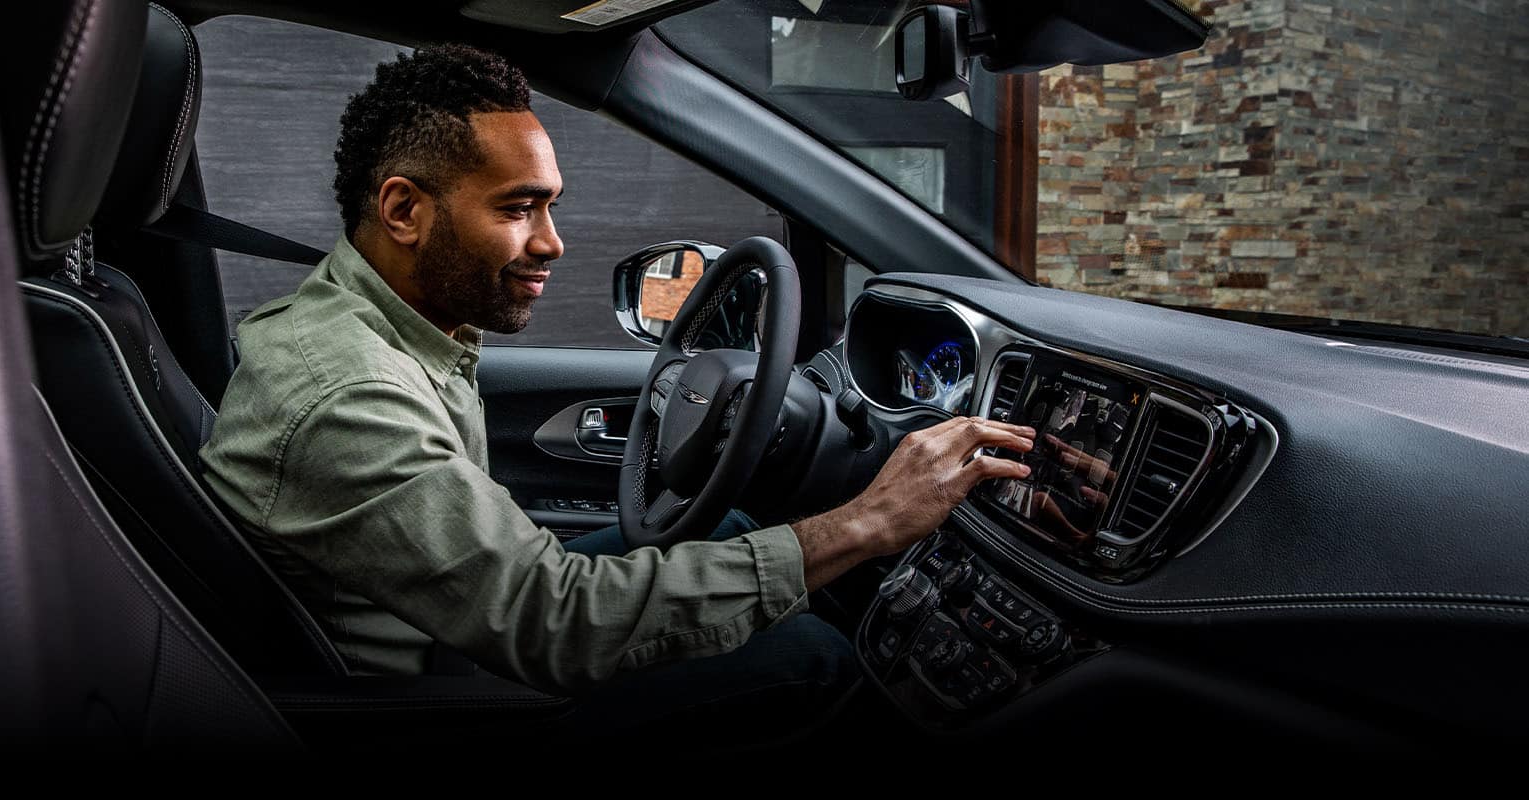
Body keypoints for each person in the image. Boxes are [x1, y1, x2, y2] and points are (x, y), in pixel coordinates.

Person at [199, 43, 1035, 743]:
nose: (552, 243)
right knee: (814, 656)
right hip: (430, 703)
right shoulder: (350, 395)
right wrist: (868, 522)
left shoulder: (366, 322)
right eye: (518, 208)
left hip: (449, 633)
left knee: (740, 527)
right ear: (404, 209)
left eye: (549, 206)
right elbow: (547, 619)